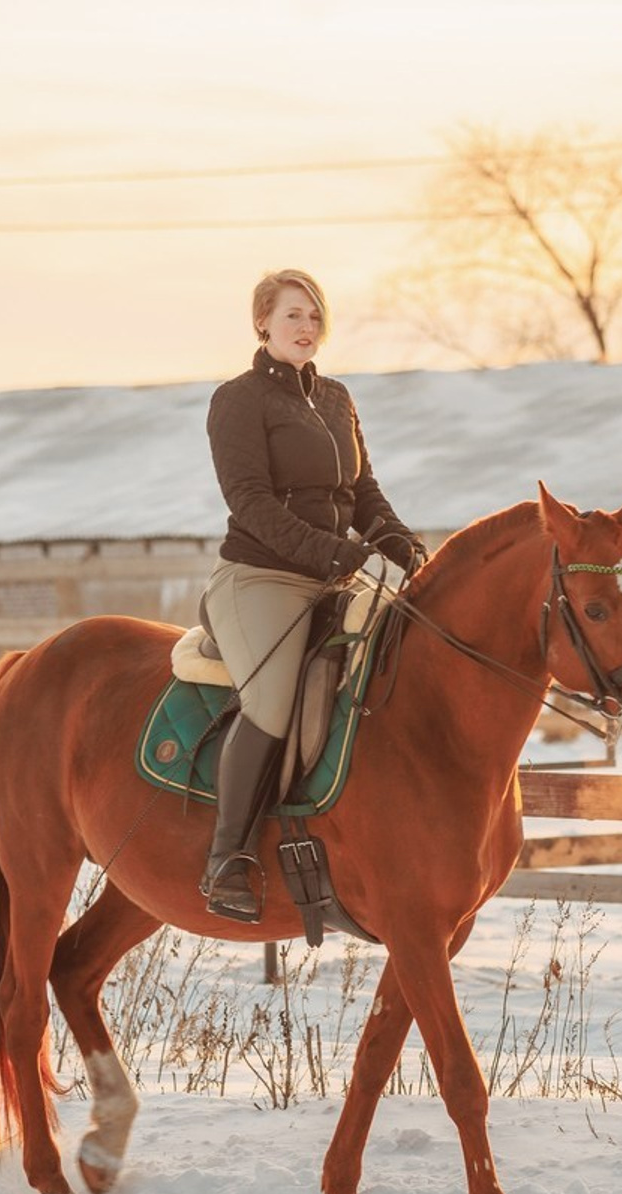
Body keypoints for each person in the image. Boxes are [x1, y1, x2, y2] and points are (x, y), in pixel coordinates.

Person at [199, 268, 427, 923]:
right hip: (260, 579)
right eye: (293, 315)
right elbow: (252, 503)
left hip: (335, 577)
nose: (306, 327)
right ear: (263, 324)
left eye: (314, 317)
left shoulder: (336, 398)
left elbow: (364, 497)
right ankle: (228, 858)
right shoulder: (237, 401)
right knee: (272, 700)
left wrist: (404, 547)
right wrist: (336, 553)